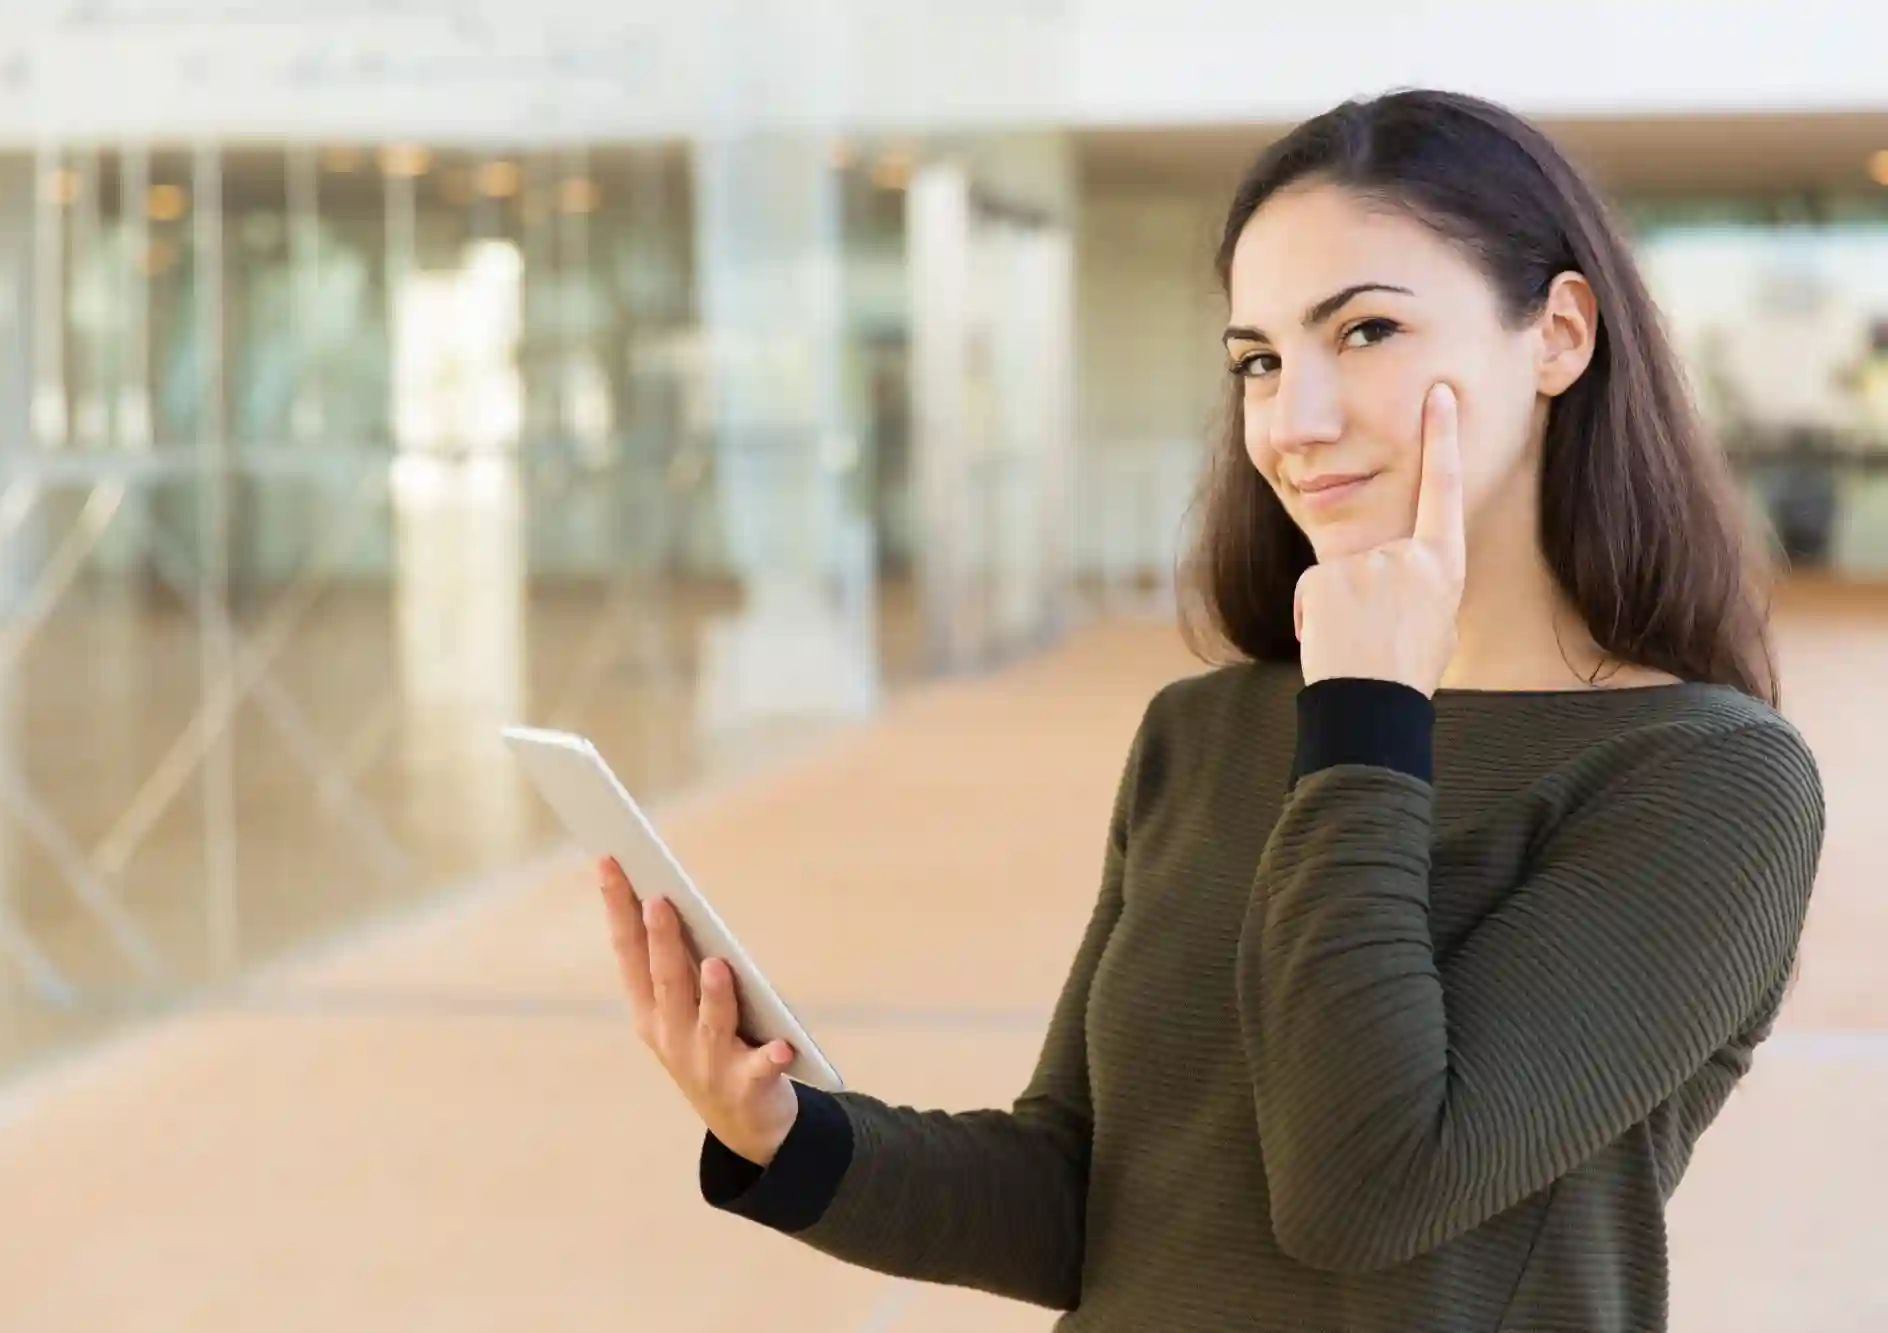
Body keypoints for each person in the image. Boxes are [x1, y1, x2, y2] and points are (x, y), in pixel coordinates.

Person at [595, 89, 1826, 1331]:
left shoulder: (1706, 779)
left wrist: (1365, 713)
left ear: (1557, 333)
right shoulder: (1204, 733)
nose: (1293, 421)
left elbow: (1364, 1189)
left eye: (1364, 332)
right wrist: (783, 1132)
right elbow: (1085, 1195)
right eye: (1258, 359)